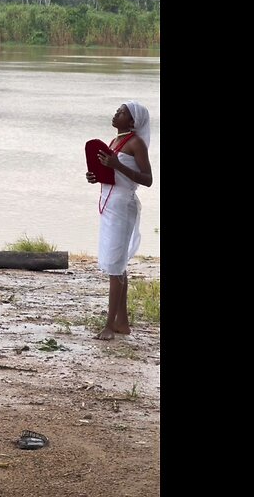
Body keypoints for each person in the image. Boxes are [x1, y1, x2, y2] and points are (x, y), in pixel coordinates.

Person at [84, 101, 153, 340]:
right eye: (117, 110)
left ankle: (108, 325)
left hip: (123, 205)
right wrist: (97, 175)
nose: (116, 113)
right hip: (109, 203)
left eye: (122, 112)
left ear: (133, 121)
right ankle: (122, 322)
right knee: (118, 263)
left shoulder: (136, 143)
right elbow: (112, 173)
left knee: (115, 265)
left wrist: (116, 165)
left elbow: (147, 179)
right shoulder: (114, 142)